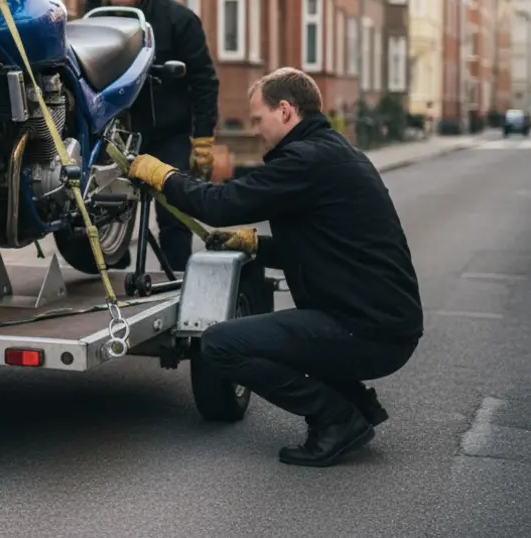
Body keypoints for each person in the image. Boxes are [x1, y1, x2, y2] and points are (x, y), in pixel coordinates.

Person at [124, 67, 424, 467]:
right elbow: (326, 248)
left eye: (258, 118)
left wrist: (165, 176)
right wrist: (258, 246)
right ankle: (353, 402)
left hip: (367, 331)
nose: (255, 128)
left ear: (285, 111)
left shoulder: (307, 160)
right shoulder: (334, 152)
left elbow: (220, 204)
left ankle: (336, 418)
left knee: (219, 344)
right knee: (283, 334)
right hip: (382, 324)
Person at [98, 0, 220, 272]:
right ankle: (109, 267)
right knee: (102, 209)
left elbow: (204, 81)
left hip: (170, 133)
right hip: (119, 134)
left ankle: (178, 281)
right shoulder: (98, 20)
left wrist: (204, 139)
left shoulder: (178, 20)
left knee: (174, 214)